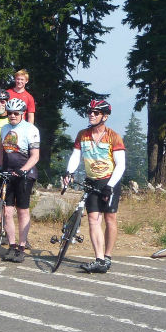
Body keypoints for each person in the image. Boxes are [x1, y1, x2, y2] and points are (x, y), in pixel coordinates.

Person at [62, 100, 126, 274]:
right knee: (92, 219)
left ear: (104, 116)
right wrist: (69, 172)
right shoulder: (82, 134)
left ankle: (108, 256)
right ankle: (99, 259)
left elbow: (121, 165)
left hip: (109, 180)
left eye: (95, 113)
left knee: (109, 219)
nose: (91, 115)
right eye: (89, 112)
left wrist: (110, 185)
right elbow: (76, 156)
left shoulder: (113, 136)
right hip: (91, 180)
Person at [0, 97, 40, 263]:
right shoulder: (4, 128)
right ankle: (12, 245)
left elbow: (35, 155)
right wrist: (1, 166)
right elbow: (1, 148)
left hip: (25, 174)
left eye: (16, 113)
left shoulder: (31, 129)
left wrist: (23, 170)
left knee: (22, 210)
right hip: (8, 173)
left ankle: (22, 247)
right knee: (7, 211)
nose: (12, 116)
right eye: (9, 113)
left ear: (22, 113)